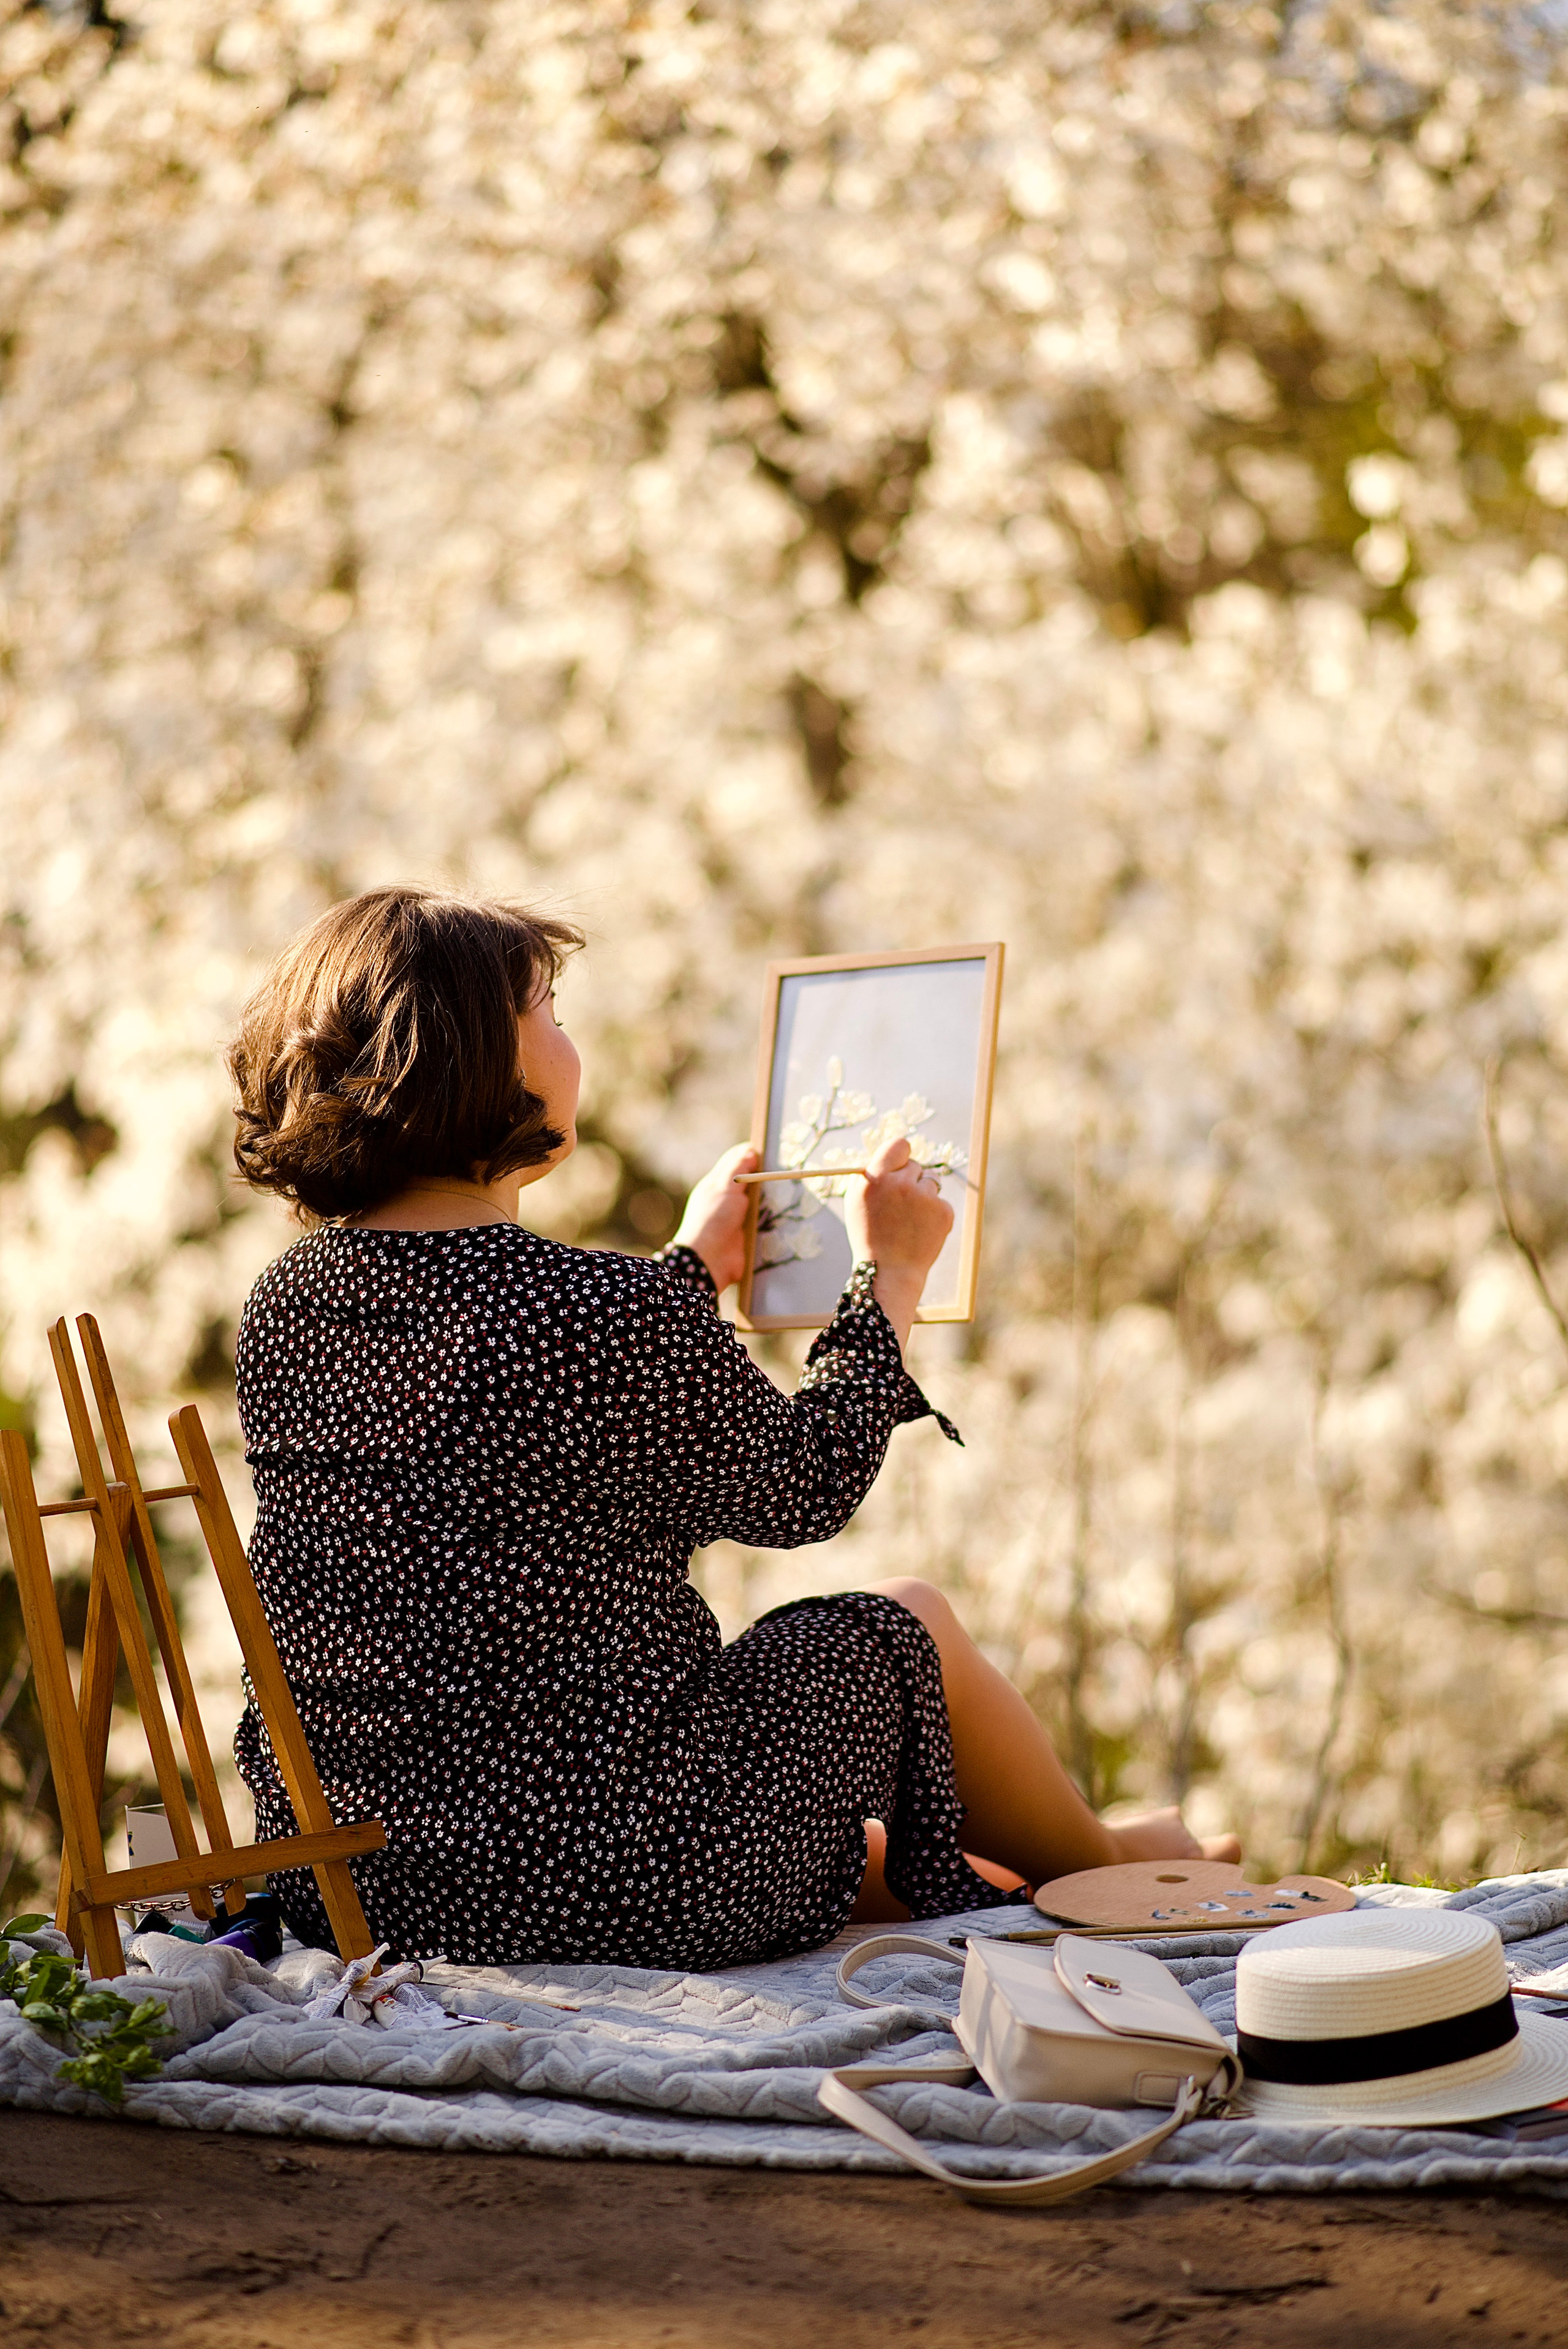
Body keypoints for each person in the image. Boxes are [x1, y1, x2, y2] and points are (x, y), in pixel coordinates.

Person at [226, 886, 1238, 1969]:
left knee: (810, 1783)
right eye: (549, 1011)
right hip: (627, 1878)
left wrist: (688, 1274)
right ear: (479, 1057)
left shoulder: (287, 1303)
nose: (570, 1037)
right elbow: (806, 1485)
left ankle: (1057, 1855)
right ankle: (1104, 1865)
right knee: (906, 1623)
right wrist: (889, 1271)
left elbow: (512, 1420)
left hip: (365, 1880)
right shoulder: (597, 1313)